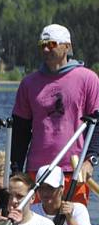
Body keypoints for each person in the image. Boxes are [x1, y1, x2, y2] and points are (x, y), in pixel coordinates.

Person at [10, 23, 99, 205]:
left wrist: (90, 160)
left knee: (73, 223)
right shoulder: (29, 84)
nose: (45, 49)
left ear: (67, 46)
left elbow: (96, 125)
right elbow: (20, 131)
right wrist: (17, 170)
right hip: (37, 169)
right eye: (42, 45)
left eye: (51, 44)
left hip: (73, 168)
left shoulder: (88, 79)